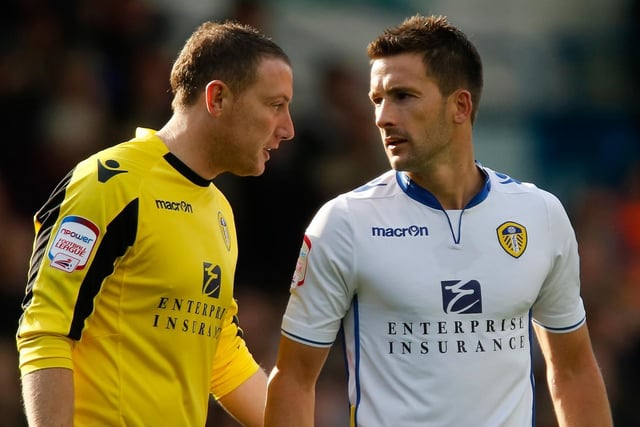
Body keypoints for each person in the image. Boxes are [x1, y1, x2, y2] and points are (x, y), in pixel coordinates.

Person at [265, 14, 612, 427]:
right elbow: (294, 378)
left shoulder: (540, 215)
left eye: (403, 96)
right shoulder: (344, 223)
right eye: (377, 100)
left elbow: (572, 369)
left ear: (460, 106)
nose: (383, 117)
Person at [17, 20, 294, 427]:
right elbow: (46, 330)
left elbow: (220, 353)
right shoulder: (109, 183)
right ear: (217, 98)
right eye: (275, 105)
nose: (287, 128)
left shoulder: (219, 210)